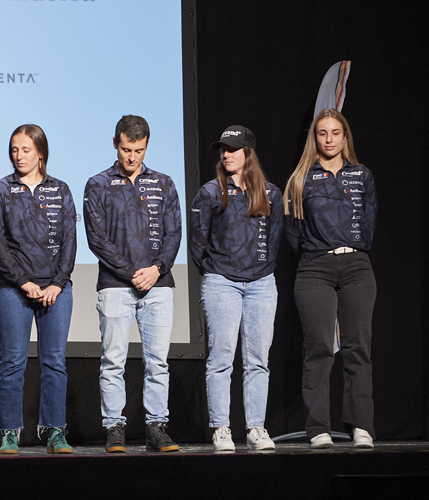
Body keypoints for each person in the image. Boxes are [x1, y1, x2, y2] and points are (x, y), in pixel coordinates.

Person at [84, 115, 182, 453]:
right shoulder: (97, 184)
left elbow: (174, 233)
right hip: (115, 285)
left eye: (138, 150)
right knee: (113, 361)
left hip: (159, 285)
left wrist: (156, 269)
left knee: (158, 362)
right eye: (127, 149)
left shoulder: (165, 183)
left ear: (147, 146)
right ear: (116, 144)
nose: (132, 157)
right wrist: (131, 273)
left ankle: (157, 427)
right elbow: (97, 239)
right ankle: (114, 427)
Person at [283, 109, 377, 449]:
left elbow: (369, 221)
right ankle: (318, 428)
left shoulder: (362, 175)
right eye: (322, 133)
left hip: (356, 267)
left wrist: (351, 248)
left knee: (358, 349)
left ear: (344, 136)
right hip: (315, 268)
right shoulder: (300, 178)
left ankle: (361, 426)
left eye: (335, 132)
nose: (329, 139)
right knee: (319, 348)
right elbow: (293, 231)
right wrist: (317, 253)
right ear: (315, 137)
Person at [0, 124, 77, 455]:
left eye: (25, 150)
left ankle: (54, 431)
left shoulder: (60, 190)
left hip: (56, 291)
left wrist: (57, 283)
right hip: (13, 290)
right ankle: (9, 432)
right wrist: (23, 282)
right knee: (12, 362)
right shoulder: (0, 190)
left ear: (40, 152)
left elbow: (69, 240)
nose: (19, 156)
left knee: (54, 362)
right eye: (14, 150)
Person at [190, 126, 283, 452]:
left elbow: (274, 239)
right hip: (221, 283)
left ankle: (256, 427)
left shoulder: (271, 193)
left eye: (232, 148)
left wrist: (260, 271)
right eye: (223, 149)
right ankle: (221, 428)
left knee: (258, 360)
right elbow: (198, 241)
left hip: (261, 284)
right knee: (221, 359)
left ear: (248, 153)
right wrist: (216, 271)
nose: (226, 154)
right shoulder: (210, 192)